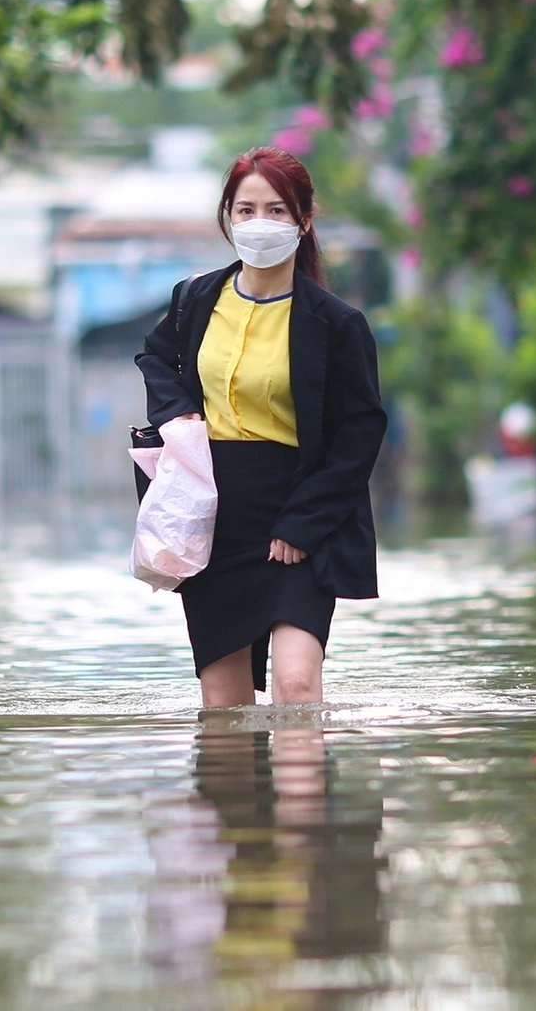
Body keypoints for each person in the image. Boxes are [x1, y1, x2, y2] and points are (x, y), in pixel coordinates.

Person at [136, 147, 387, 707]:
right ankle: (238, 797)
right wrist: (179, 412)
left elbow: (360, 432)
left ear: (302, 220)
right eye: (245, 209)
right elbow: (155, 357)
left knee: (296, 687)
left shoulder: (337, 324)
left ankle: (305, 794)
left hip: (298, 516)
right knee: (223, 708)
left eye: (276, 210)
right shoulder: (195, 300)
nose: (259, 223)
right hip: (214, 516)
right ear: (228, 217)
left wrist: (304, 523)